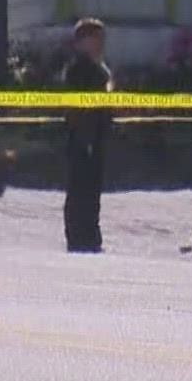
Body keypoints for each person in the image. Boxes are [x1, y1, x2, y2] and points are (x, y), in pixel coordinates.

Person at [60, 17, 112, 253]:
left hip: (98, 136)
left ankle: (91, 233)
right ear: (82, 42)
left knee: (92, 189)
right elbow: (77, 108)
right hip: (82, 137)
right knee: (80, 187)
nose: (101, 44)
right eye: (96, 39)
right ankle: (79, 234)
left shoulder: (100, 69)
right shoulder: (79, 71)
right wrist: (86, 137)